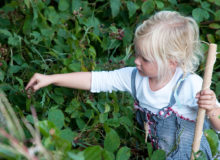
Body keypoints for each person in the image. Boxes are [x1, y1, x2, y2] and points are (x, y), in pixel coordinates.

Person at [25, 11, 220, 159]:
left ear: (171, 62)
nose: (136, 61)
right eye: (136, 54)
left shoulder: (189, 85)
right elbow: (96, 80)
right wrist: (51, 78)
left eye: (145, 59)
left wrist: (211, 109)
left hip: (198, 154)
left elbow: (218, 127)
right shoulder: (135, 77)